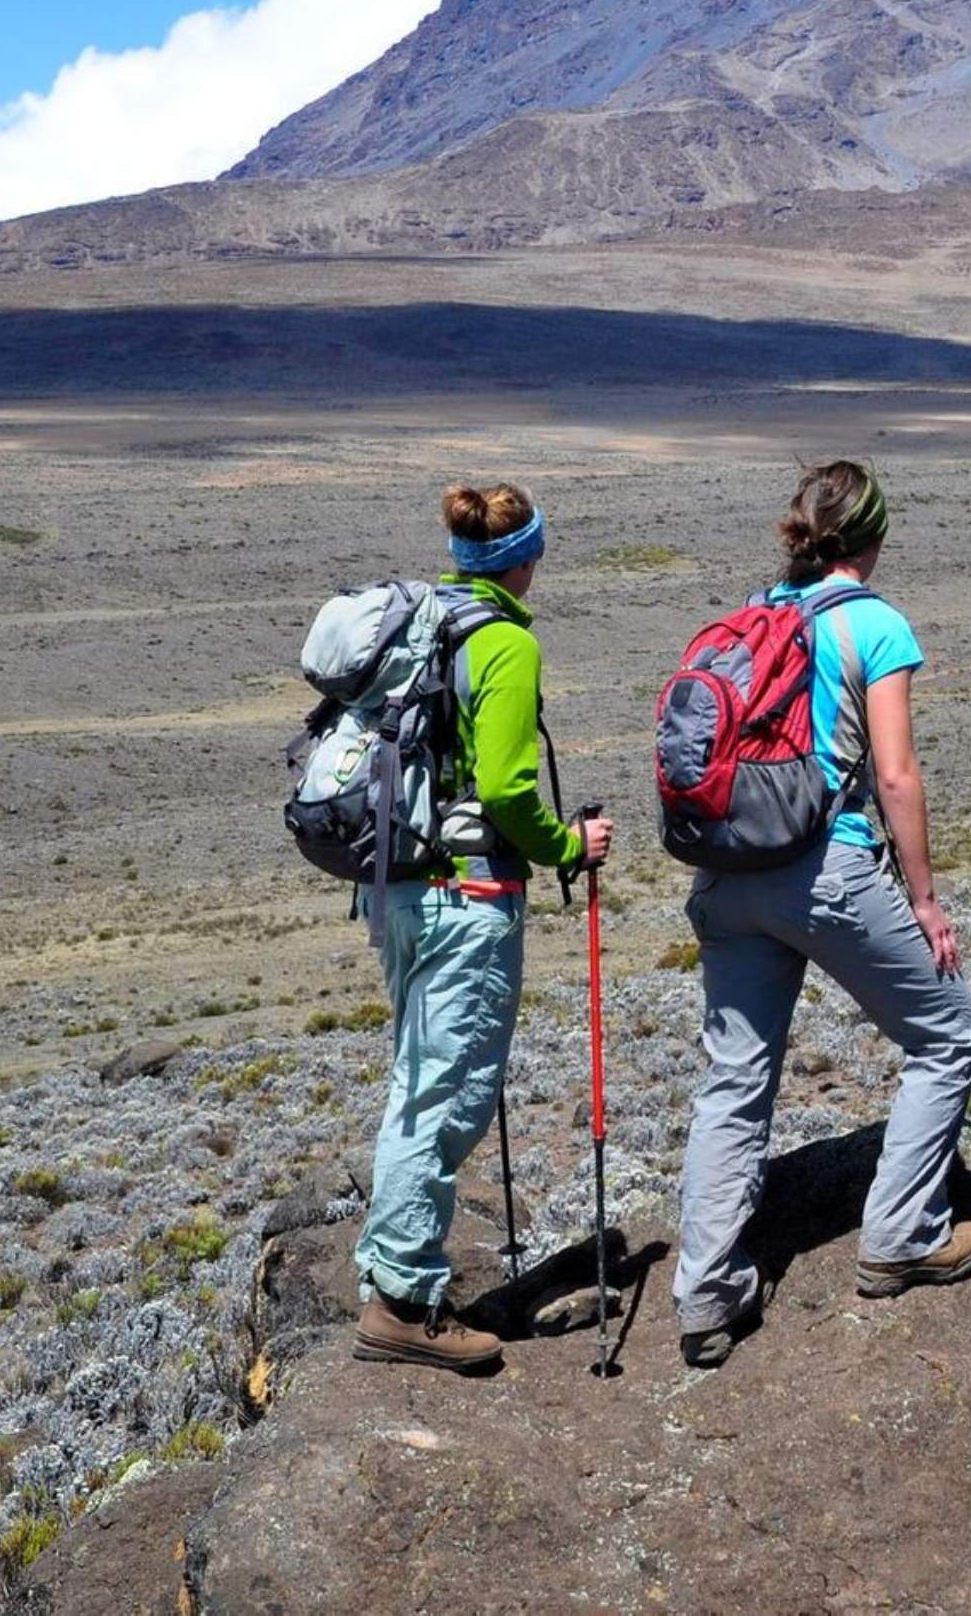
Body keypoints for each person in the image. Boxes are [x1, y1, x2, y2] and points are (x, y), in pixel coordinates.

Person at [674, 459, 971, 1368]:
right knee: (952, 1033)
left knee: (734, 1082)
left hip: (728, 877)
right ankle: (902, 1235)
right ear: (873, 539)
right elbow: (895, 775)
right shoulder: (872, 624)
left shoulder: (759, 613)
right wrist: (924, 901)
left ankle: (705, 1294)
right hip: (826, 871)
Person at [352, 482, 615, 1374]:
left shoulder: (425, 625)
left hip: (398, 893)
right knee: (447, 1096)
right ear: (525, 557)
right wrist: (568, 843)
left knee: (417, 1082)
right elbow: (505, 790)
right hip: (467, 898)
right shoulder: (502, 643)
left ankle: (393, 1280)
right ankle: (402, 1306)